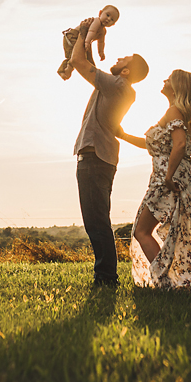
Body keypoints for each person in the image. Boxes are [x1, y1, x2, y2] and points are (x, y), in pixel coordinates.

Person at [69, 17, 149, 286]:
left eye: (124, 59)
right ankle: (105, 276)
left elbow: (79, 64)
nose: (119, 58)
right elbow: (87, 64)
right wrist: (86, 38)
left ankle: (106, 278)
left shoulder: (116, 85)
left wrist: (83, 33)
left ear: (125, 72)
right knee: (97, 220)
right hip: (99, 157)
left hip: (95, 157)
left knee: (96, 222)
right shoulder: (116, 86)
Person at [117, 69, 191, 289]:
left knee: (141, 230)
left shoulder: (175, 111)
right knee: (160, 229)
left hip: (169, 177)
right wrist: (123, 135)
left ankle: (165, 283)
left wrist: (167, 177)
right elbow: (155, 145)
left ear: (177, 86)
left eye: (169, 78)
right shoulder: (176, 113)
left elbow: (180, 145)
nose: (164, 80)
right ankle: (168, 281)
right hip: (174, 175)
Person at [58, 5, 120, 80]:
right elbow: (91, 31)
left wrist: (101, 52)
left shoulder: (103, 31)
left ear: (113, 24)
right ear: (100, 13)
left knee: (88, 61)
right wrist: (87, 43)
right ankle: (65, 70)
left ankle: (92, 76)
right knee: (75, 55)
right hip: (73, 36)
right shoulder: (96, 21)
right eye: (107, 15)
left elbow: (101, 42)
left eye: (112, 19)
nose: (108, 19)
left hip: (84, 41)